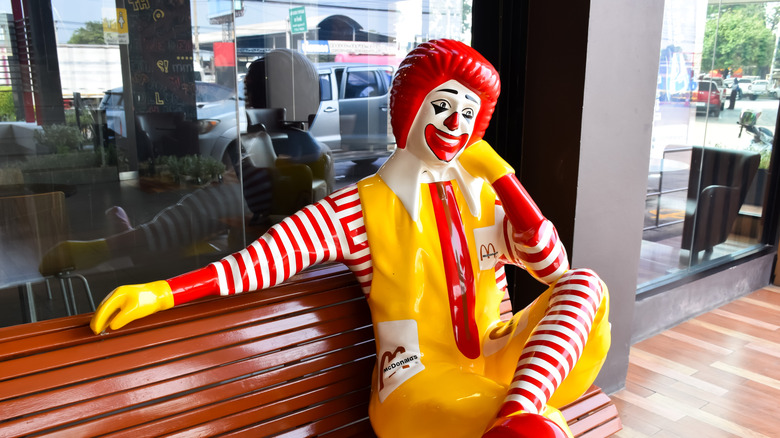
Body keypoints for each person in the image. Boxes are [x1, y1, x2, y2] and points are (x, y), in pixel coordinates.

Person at [90, 39, 610, 438]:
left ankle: (519, 411)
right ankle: (521, 416)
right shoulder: (359, 207)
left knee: (587, 286)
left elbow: (551, 267)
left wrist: (500, 174)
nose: (457, 124)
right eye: (445, 105)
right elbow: (267, 257)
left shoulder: (480, 196)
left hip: (500, 360)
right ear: (412, 106)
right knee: (543, 427)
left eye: (470, 115)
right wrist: (161, 291)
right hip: (418, 381)